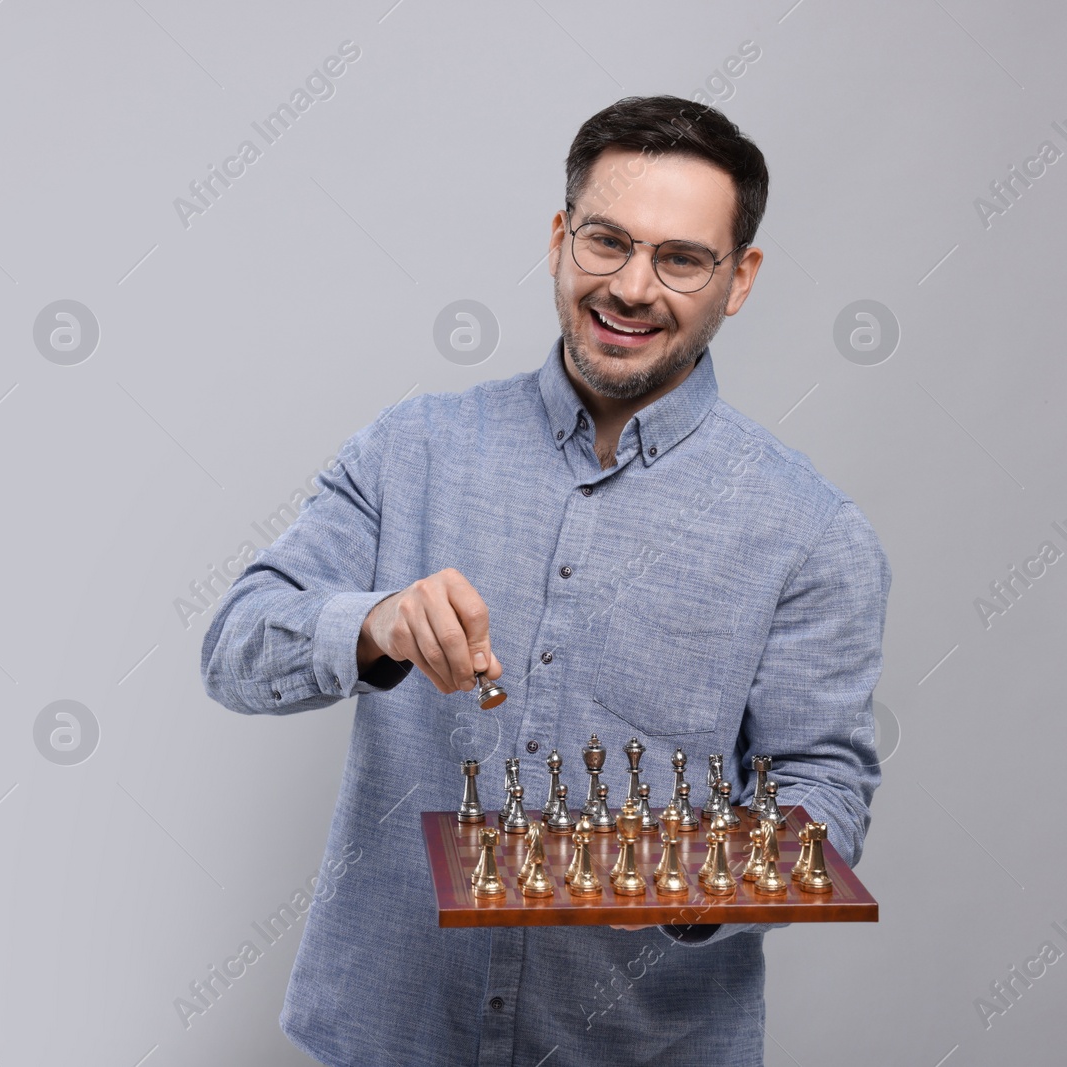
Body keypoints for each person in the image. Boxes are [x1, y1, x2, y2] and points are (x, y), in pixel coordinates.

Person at [200, 95, 891, 1067]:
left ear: (738, 280)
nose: (633, 287)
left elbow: (826, 783)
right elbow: (236, 647)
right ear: (561, 239)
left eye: (681, 258)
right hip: (383, 1034)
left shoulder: (812, 531)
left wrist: (694, 883)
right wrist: (375, 622)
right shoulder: (411, 449)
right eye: (607, 241)